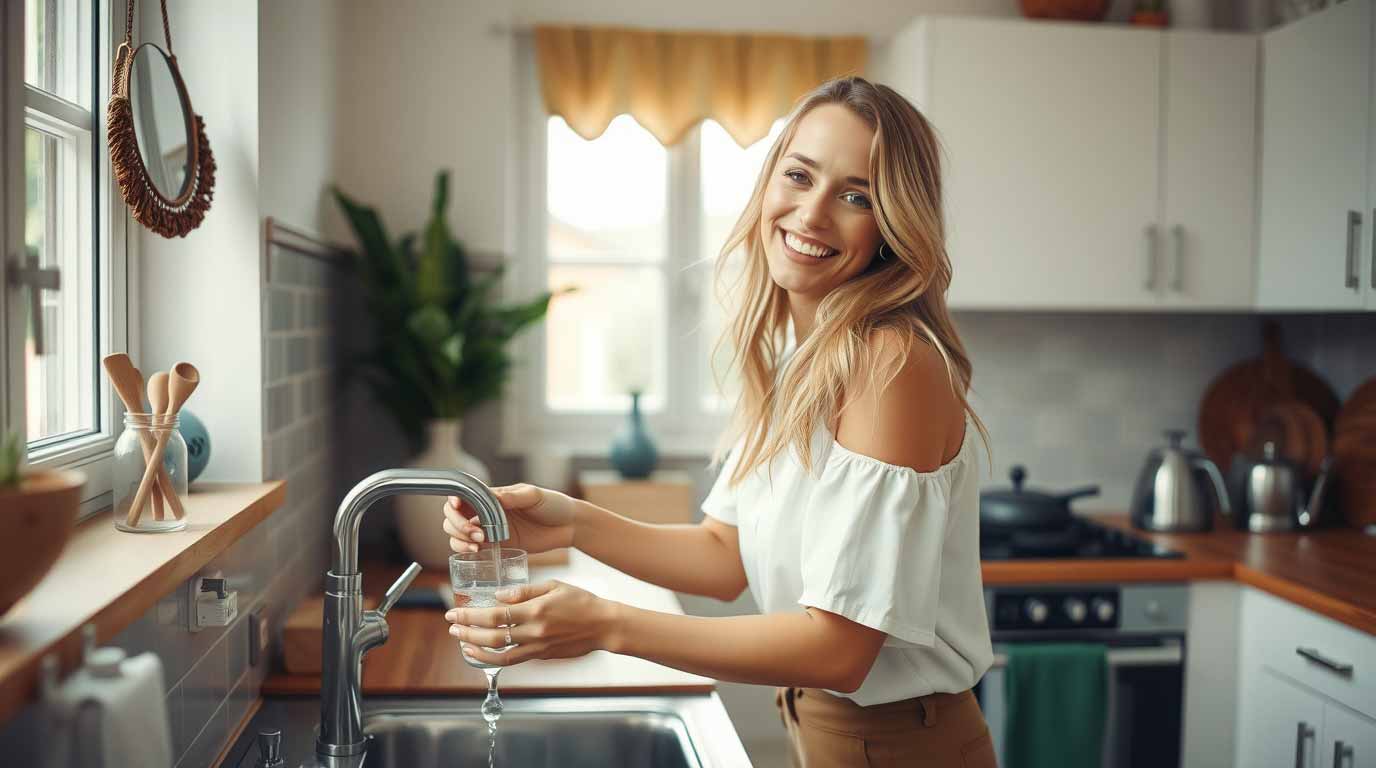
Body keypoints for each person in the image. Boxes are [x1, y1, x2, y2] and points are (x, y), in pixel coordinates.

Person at [441, 76, 996, 767]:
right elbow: (723, 554)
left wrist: (604, 623)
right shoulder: (799, 359)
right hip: (832, 732)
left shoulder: (891, 362)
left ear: (892, 224)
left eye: (855, 196)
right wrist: (570, 521)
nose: (813, 213)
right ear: (769, 183)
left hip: (902, 745)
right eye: (799, 175)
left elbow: (841, 649)